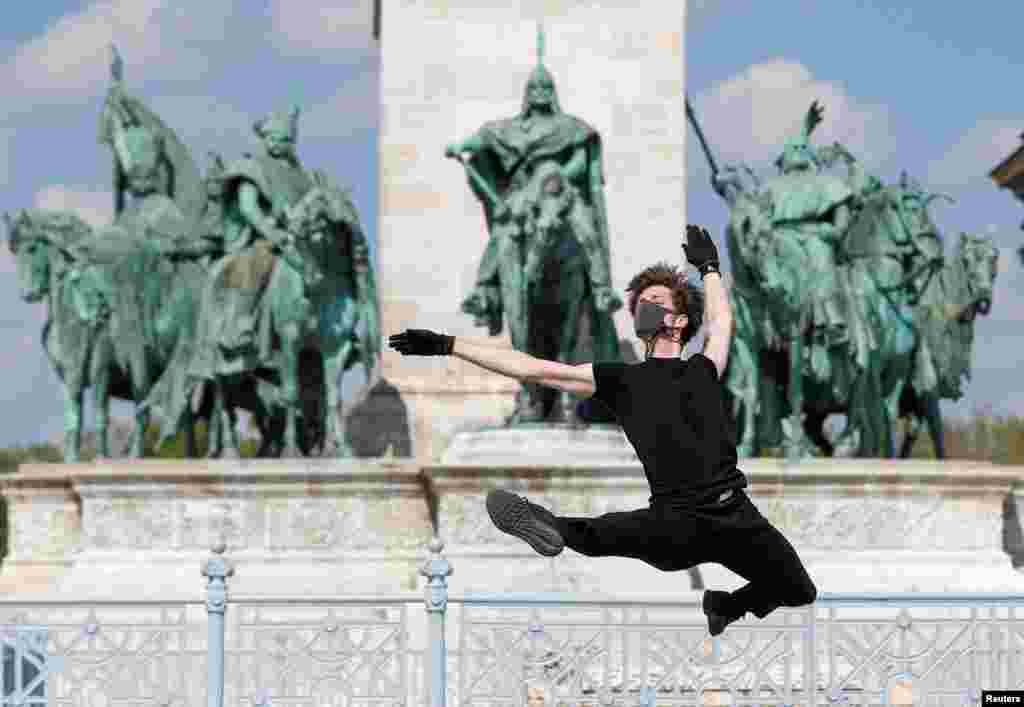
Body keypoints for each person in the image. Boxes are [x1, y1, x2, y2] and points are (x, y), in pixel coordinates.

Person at [388, 225, 818, 636]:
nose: (643, 307)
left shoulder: (704, 368)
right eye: (640, 303)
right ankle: (542, 522)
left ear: (680, 321)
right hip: (676, 519)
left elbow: (722, 321)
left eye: (655, 300)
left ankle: (726, 606)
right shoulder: (620, 378)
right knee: (595, 535)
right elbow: (534, 368)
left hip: (736, 516)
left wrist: (709, 270)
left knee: (800, 589)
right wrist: (449, 345)